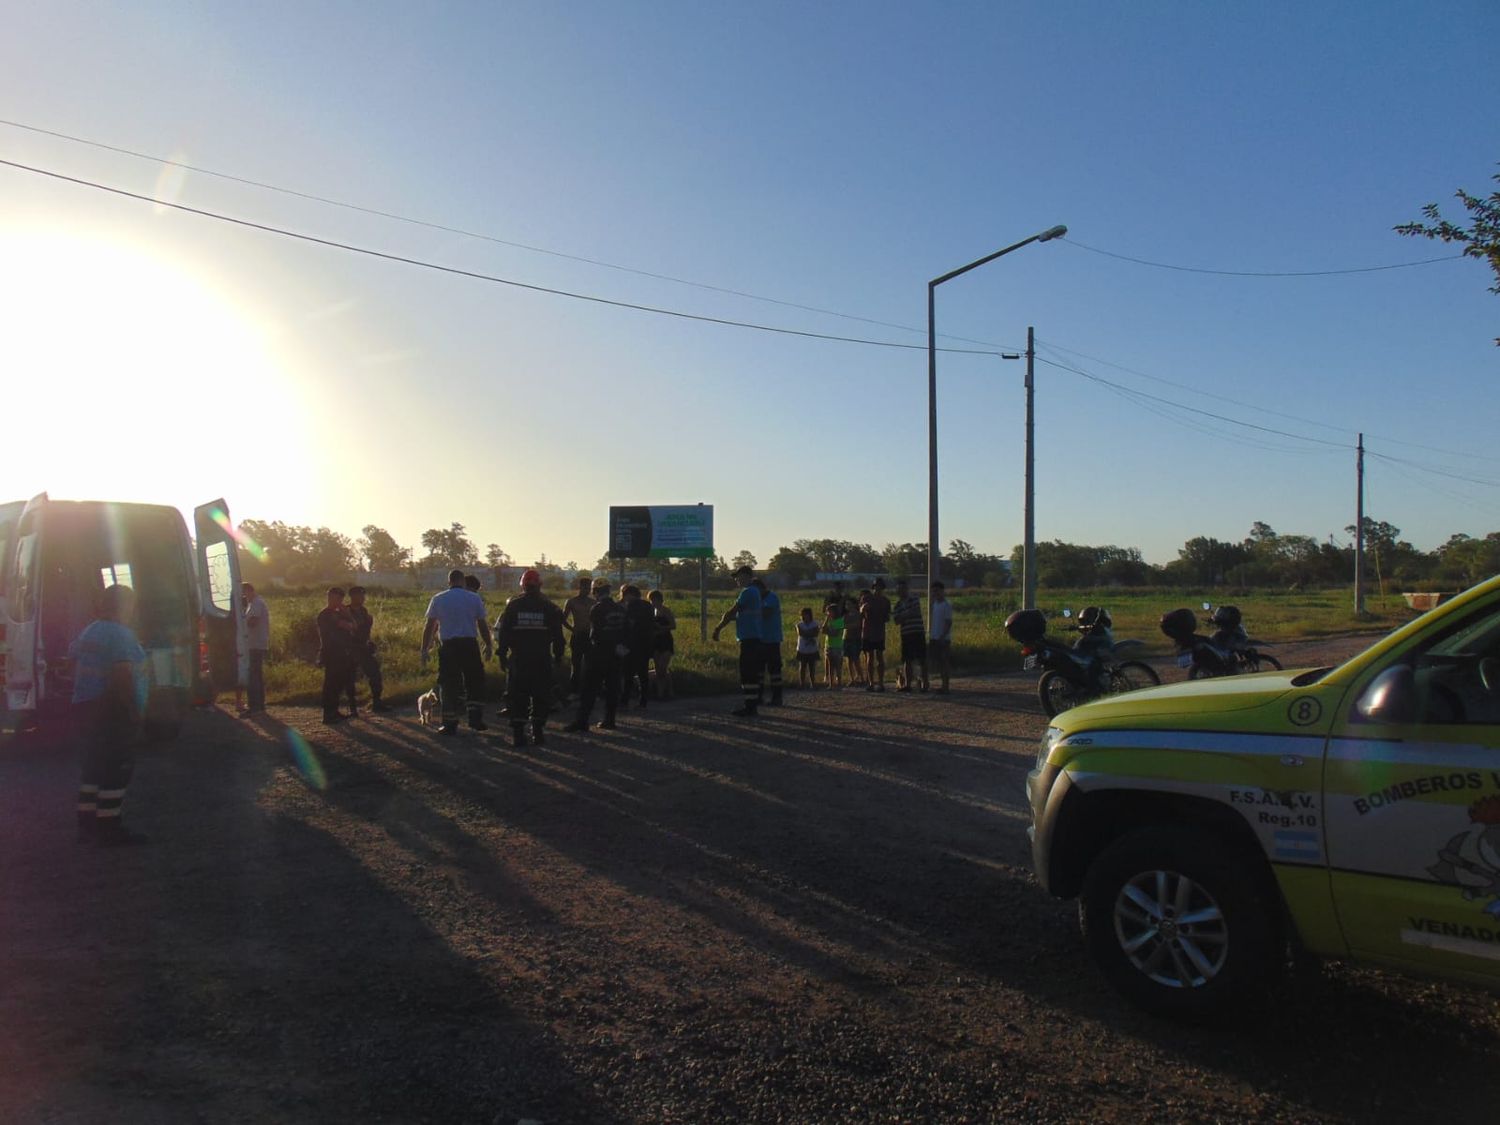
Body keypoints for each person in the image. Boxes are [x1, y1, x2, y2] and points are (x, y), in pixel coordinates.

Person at [70, 584, 148, 846]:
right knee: (118, 766)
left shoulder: (90, 630)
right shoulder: (121, 635)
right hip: (111, 707)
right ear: (124, 606)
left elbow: (73, 656)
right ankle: (109, 826)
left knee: (93, 766)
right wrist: (133, 710)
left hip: (85, 705)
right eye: (132, 605)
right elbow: (122, 675)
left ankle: (87, 825)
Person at [495, 568, 566, 747]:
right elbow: (558, 636)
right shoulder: (549, 607)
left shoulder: (513, 606)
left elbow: (503, 634)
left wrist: (502, 655)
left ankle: (519, 735)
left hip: (519, 660)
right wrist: (558, 657)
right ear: (540, 585)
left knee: (518, 697)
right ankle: (538, 732)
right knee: (541, 696)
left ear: (523, 585)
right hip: (542, 659)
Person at [420, 569, 492, 735]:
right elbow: (482, 624)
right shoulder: (474, 598)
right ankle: (475, 718)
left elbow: (430, 626)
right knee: (474, 681)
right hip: (469, 645)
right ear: (463, 582)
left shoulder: (438, 598)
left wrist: (424, 649)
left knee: (448, 684)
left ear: (449, 582)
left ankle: (449, 723)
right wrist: (488, 645)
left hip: (449, 646)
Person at [566, 578, 628, 732]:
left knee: (589, 689)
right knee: (612, 688)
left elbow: (595, 635)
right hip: (616, 655)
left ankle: (582, 721)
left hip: (598, 655)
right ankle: (610, 720)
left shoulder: (597, 608)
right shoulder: (620, 608)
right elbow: (626, 631)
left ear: (596, 591)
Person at [711, 565, 763, 717]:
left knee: (747, 673)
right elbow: (740, 615)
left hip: (750, 639)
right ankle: (751, 705)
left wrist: (718, 628)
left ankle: (750, 707)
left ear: (746, 576)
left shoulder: (747, 592)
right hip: (753, 638)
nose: (736, 580)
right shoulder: (754, 592)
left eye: (738, 576)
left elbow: (731, 612)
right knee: (750, 673)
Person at [316, 586, 359, 724]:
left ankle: (333, 711)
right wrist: (346, 618)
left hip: (342, 653)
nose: (338, 601)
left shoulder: (338, 613)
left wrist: (347, 614)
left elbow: (354, 626)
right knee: (331, 684)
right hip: (331, 653)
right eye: (336, 598)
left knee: (339, 684)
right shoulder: (326, 615)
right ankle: (328, 714)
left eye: (340, 598)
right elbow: (347, 626)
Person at [346, 586, 391, 713]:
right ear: (352, 597)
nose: (362, 598)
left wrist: (368, 641)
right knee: (350, 677)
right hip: (351, 648)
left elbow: (365, 630)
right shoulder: (346, 611)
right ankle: (352, 706)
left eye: (363, 596)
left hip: (363, 647)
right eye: (359, 595)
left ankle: (376, 702)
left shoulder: (363, 611)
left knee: (375, 674)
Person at [619, 584, 656, 708]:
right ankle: (643, 700)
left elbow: (630, 624)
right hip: (646, 644)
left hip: (632, 644)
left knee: (628, 674)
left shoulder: (631, 606)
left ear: (629, 595)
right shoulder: (648, 606)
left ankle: (625, 700)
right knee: (643, 674)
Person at [562, 576, 595, 702]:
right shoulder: (572, 601)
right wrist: (571, 629)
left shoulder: (593, 602)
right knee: (576, 665)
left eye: (589, 587)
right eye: (586, 587)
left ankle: (589, 691)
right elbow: (563, 618)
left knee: (590, 665)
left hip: (590, 636)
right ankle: (574, 691)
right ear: (580, 587)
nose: (588, 590)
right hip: (577, 635)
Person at [891, 578, 928, 692]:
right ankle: (907, 684)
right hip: (906, 634)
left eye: (903, 589)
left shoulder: (914, 599)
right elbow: (896, 621)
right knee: (907, 660)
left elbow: (915, 611)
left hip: (917, 632)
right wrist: (907, 613)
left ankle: (925, 683)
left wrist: (903, 615)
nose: (901, 591)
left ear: (907, 589)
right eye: (899, 589)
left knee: (921, 659)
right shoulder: (897, 605)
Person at [754, 578, 785, 706]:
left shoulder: (771, 597)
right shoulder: (759, 599)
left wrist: (750, 611)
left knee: (774, 671)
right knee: (759, 671)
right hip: (760, 639)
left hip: (772, 639)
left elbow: (765, 613)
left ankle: (777, 698)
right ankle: (759, 696)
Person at [241, 581, 270, 715]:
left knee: (253, 675)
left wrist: (241, 622)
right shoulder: (253, 603)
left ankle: (255, 705)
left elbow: (253, 621)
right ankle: (258, 705)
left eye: (244, 592)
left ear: (249, 591)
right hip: (254, 643)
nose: (243, 596)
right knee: (256, 674)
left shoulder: (257, 603)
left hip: (255, 644)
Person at [862, 578, 892, 692]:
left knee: (879, 657)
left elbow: (887, 617)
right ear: (873, 587)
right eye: (876, 586)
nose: (878, 588)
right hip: (868, 631)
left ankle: (880, 682)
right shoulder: (866, 598)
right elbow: (860, 610)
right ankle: (871, 682)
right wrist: (863, 608)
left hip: (879, 631)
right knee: (869, 658)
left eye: (880, 586)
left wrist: (885, 616)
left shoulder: (885, 601)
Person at [648, 589, 677, 700]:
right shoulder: (651, 612)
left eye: (655, 600)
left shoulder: (666, 611)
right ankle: (664, 693)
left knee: (662, 668)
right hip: (655, 641)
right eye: (651, 600)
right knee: (658, 669)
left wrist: (661, 628)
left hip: (666, 640)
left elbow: (673, 626)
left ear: (660, 600)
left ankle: (664, 693)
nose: (653, 602)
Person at [928, 581, 954, 694]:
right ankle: (940, 685)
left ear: (942, 591)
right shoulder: (934, 604)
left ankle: (946, 686)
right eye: (933, 591)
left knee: (944, 662)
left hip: (943, 639)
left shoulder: (946, 605)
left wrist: (943, 636)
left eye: (937, 590)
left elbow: (948, 622)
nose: (935, 593)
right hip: (934, 637)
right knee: (937, 662)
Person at [842, 591, 866, 687]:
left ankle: (861, 677)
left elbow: (857, 625)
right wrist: (847, 626)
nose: (847, 606)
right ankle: (852, 678)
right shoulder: (846, 615)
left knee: (856, 659)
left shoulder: (858, 614)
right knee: (849, 660)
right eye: (846, 604)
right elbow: (843, 625)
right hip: (846, 638)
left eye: (849, 604)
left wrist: (847, 626)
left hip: (855, 638)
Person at [795, 607, 821, 688]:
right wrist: (810, 632)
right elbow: (801, 633)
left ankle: (812, 683)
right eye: (802, 615)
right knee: (802, 666)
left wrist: (807, 632)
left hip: (812, 649)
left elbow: (816, 633)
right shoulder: (799, 624)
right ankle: (802, 683)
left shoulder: (815, 623)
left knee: (812, 667)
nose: (804, 616)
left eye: (805, 614)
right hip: (802, 649)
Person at [822, 597, 845, 689]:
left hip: (837, 646)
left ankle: (839, 683)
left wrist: (827, 631)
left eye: (830, 611)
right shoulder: (829, 621)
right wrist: (827, 619)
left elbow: (835, 633)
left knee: (837, 666)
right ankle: (831, 684)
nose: (828, 613)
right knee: (830, 666)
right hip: (829, 645)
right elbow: (823, 630)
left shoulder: (840, 621)